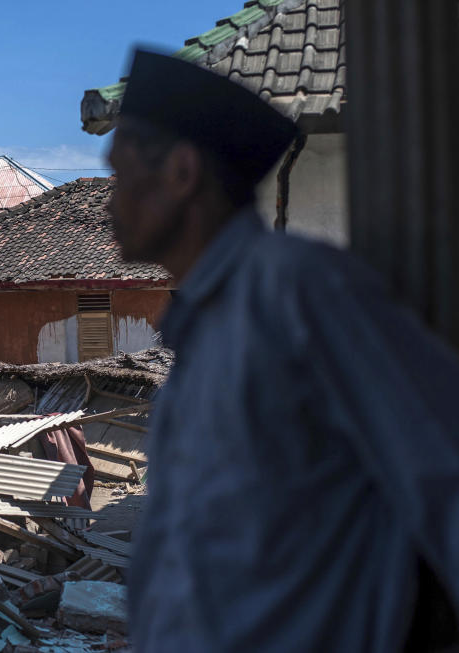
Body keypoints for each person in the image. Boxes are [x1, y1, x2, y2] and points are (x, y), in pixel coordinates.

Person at [110, 48, 459, 652]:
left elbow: (444, 475)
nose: (107, 200)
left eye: (121, 173)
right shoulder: (198, 333)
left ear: (182, 173)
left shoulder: (302, 292)